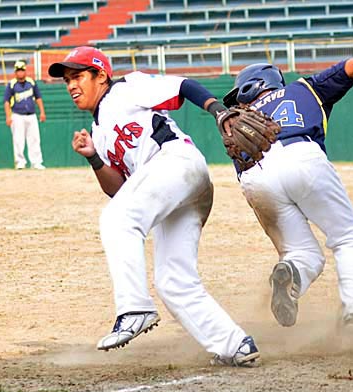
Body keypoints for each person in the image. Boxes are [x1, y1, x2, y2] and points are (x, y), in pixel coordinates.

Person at [48, 46, 259, 366]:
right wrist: (93, 157)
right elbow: (119, 191)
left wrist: (216, 109)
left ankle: (134, 308)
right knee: (172, 281)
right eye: (67, 81)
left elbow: (182, 85)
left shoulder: (125, 89)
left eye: (77, 76)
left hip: (175, 163)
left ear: (101, 75)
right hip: (174, 189)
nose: (71, 86)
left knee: (116, 222)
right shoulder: (98, 129)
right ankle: (234, 345)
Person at [221, 58, 353, 328]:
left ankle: (293, 269)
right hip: (301, 155)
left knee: (299, 252)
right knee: (347, 239)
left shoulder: (238, 125)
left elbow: (248, 184)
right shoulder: (305, 88)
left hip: (254, 176)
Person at [3, 60, 47, 170]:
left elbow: (38, 98)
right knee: (18, 140)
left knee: (35, 139)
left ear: (25, 71)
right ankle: (20, 162)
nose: (20, 73)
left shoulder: (31, 83)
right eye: (18, 71)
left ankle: (36, 162)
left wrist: (42, 112)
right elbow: (6, 102)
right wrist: (8, 116)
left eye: (22, 70)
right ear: (15, 72)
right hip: (17, 115)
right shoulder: (12, 85)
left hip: (31, 115)